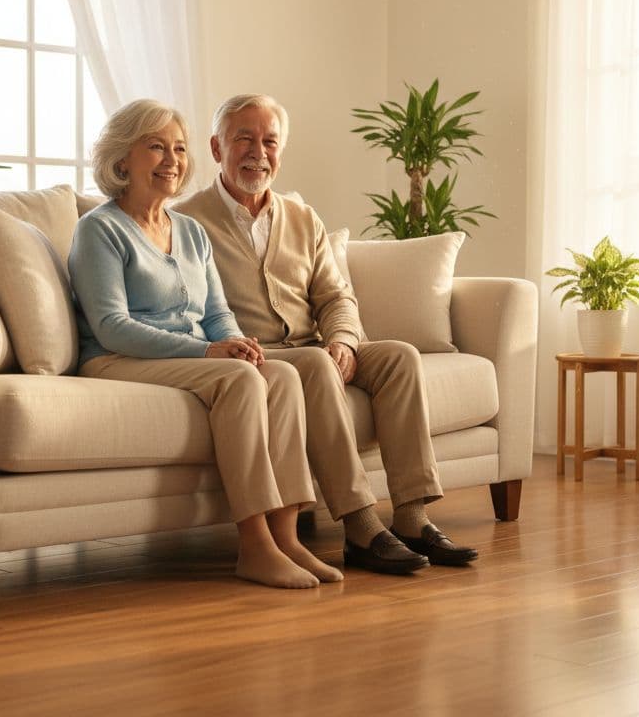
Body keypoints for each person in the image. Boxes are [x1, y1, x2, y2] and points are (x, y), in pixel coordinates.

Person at [174, 94, 479, 574]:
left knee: (398, 356)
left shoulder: (303, 218)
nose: (259, 152)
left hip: (315, 346)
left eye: (270, 141)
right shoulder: (185, 220)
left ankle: (412, 516)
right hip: (254, 354)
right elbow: (190, 307)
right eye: (244, 139)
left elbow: (337, 296)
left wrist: (344, 341)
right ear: (216, 148)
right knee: (316, 363)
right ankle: (359, 524)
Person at [69, 98, 340, 589]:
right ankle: (254, 545)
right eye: (156, 147)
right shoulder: (100, 229)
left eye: (178, 148)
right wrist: (208, 352)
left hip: (192, 358)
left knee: (278, 371)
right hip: (117, 359)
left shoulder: (191, 231)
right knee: (239, 378)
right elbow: (111, 326)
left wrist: (237, 343)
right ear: (121, 158)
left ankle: (287, 536)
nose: (172, 160)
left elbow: (216, 314)